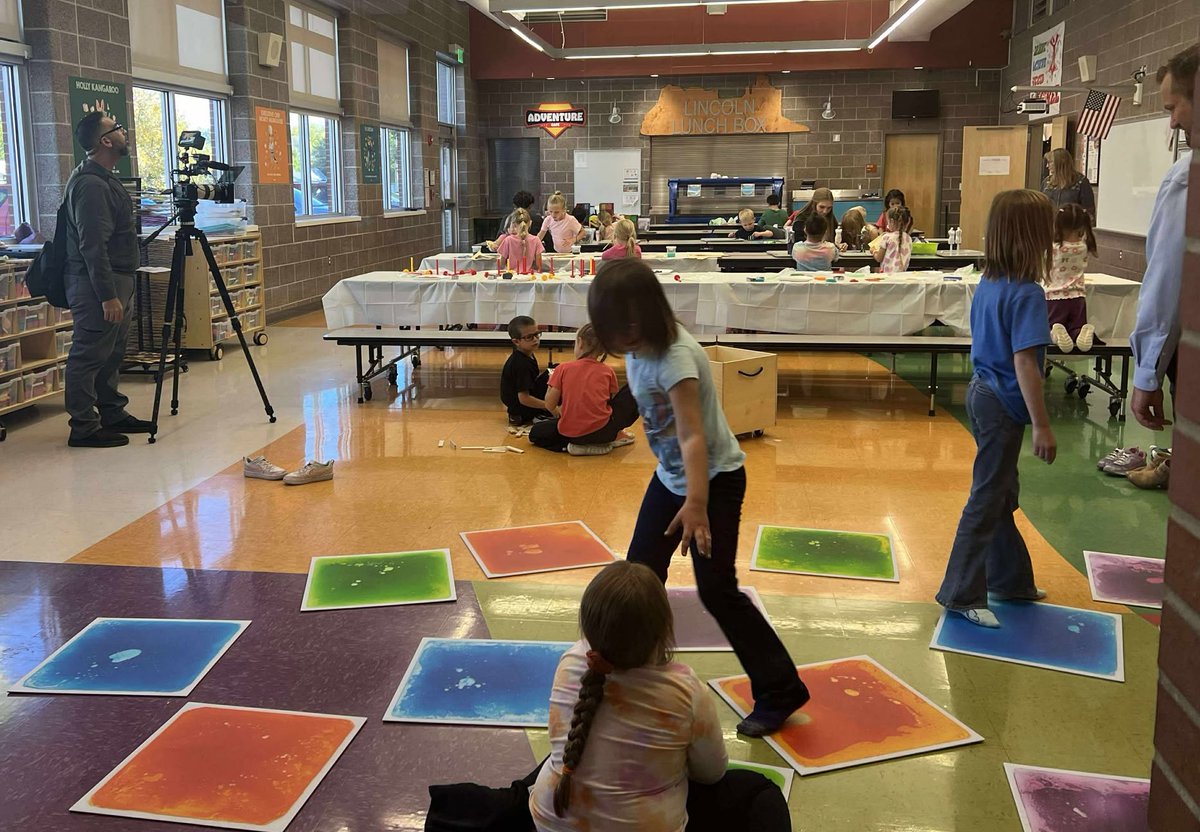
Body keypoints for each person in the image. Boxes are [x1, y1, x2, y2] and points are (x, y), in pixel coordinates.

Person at [587, 259, 810, 737]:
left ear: (636, 321)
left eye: (614, 332)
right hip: (671, 479)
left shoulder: (677, 359)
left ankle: (780, 689)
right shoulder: (637, 346)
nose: (612, 344)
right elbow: (646, 406)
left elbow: (692, 438)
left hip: (714, 482)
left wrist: (696, 504)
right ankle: (636, 668)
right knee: (640, 573)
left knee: (717, 590)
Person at [529, 561, 791, 832]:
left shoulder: (571, 660)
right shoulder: (685, 690)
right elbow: (712, 774)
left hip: (549, 820)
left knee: (557, 762)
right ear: (664, 632)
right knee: (761, 792)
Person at [936, 190, 1057, 628]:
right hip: (1003, 403)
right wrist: (1042, 425)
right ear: (1033, 237)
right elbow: (1026, 363)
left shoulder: (989, 282)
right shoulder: (1027, 294)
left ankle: (1010, 579)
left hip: (982, 393)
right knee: (987, 498)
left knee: (1002, 492)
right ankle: (961, 592)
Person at [63, 112, 150, 448]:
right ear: (105, 141)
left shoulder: (106, 177)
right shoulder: (90, 185)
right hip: (98, 282)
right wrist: (107, 295)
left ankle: (111, 411)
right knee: (89, 354)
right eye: (117, 128)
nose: (124, 131)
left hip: (118, 277)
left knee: (112, 351)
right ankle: (83, 426)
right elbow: (92, 245)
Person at [1131, 43, 1195, 432]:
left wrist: (1147, 371)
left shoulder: (1187, 178)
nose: (1172, 124)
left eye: (1173, 108)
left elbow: (1169, 281)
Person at [529, 324, 639, 456]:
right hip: (604, 432)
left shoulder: (562, 368)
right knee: (635, 386)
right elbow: (611, 401)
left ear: (580, 343)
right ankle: (613, 437)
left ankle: (567, 447)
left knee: (536, 432)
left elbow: (549, 404)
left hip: (571, 434)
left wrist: (552, 387)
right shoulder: (607, 371)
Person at [1046, 204, 1098, 353]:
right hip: (1078, 297)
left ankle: (1055, 333)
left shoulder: (1054, 248)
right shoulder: (1083, 247)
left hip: (1054, 296)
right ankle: (1082, 330)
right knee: (1074, 328)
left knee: (1051, 326)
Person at [501, 315, 554, 426]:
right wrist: (550, 406)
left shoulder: (527, 354)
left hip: (522, 405)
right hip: (521, 410)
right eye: (529, 337)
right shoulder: (521, 364)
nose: (535, 339)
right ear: (516, 341)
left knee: (557, 371)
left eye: (537, 334)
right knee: (556, 375)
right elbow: (524, 398)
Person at [1041, 148, 1096, 220]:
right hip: (1049, 225)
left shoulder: (1081, 182)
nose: (1047, 166)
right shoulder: (1046, 182)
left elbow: (1089, 210)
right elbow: (1041, 206)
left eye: (1050, 162)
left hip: (1072, 226)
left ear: (1060, 162)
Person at [496, 209, 544, 273]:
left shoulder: (508, 240)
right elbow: (539, 264)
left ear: (513, 224)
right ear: (530, 223)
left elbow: (501, 263)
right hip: (530, 276)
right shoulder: (536, 240)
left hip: (512, 275)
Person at [874, 205, 914, 273]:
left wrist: (874, 251)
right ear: (907, 223)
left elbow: (879, 258)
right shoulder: (909, 238)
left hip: (887, 276)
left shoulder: (886, 237)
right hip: (902, 276)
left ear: (891, 221)